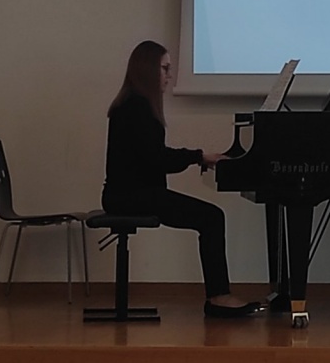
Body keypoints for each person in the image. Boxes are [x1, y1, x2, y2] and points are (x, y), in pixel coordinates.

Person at [101, 40, 261, 318]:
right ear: (148, 69)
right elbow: (157, 159)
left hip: (129, 194)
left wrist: (197, 157)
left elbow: (153, 157)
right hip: (132, 197)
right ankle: (218, 297)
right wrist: (199, 156)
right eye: (165, 68)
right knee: (212, 218)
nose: (169, 75)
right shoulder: (137, 107)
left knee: (210, 217)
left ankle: (218, 296)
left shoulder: (132, 104)